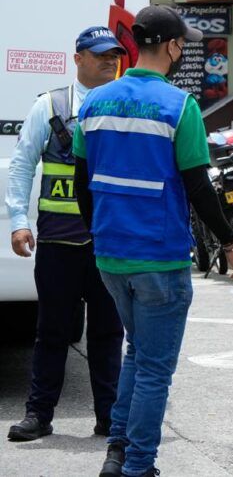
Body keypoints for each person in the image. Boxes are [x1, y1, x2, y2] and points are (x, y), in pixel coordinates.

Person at [72, 5, 233, 477]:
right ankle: (139, 466)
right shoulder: (179, 106)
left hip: (110, 254)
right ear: (170, 46)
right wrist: (230, 241)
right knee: (154, 369)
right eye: (182, 43)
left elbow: (80, 180)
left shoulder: (93, 102)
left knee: (138, 352)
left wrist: (98, 234)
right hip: (159, 258)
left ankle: (117, 453)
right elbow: (197, 185)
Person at [5, 27, 127, 443]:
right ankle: (38, 415)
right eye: (100, 55)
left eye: (114, 55)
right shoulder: (49, 105)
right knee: (52, 332)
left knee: (108, 334)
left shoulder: (126, 103)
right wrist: (18, 221)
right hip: (58, 242)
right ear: (77, 58)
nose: (109, 62)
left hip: (108, 242)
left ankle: (109, 418)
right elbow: (22, 166)